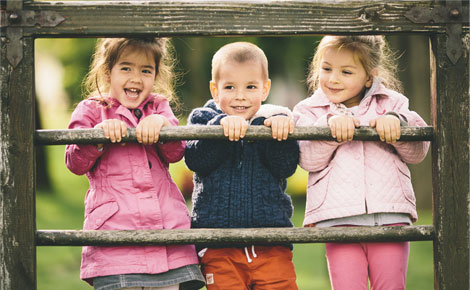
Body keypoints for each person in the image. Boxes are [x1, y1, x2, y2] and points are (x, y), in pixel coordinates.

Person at [65, 38, 205, 290]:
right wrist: (97, 136)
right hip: (116, 232)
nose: (136, 78)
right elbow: (74, 162)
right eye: (126, 68)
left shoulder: (158, 107)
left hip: (165, 233)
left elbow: (176, 153)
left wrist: (163, 127)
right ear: (108, 72)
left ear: (156, 75)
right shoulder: (91, 110)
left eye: (146, 70)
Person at [293, 35, 430, 290]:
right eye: (326, 69)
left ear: (369, 76)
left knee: (390, 286)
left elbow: (418, 152)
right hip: (338, 219)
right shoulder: (310, 110)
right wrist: (328, 130)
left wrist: (397, 125)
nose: (333, 79)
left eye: (346, 72)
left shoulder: (393, 103)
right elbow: (307, 159)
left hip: (390, 217)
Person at [184, 42, 299, 290]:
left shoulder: (273, 122)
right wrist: (219, 128)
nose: (240, 96)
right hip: (219, 245)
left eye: (250, 87)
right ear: (215, 90)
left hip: (271, 243)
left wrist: (277, 133)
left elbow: (286, 167)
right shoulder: (203, 119)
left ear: (265, 88)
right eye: (229, 87)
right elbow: (195, 159)